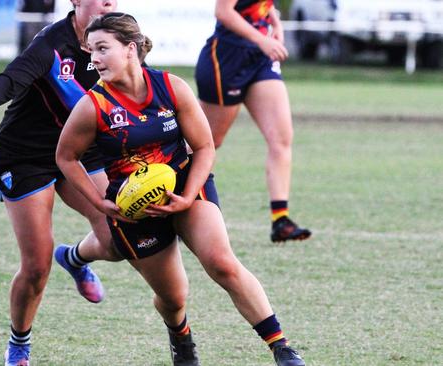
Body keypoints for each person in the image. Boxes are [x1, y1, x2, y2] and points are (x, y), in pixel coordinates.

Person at [56, 12, 305, 366]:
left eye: (102, 49)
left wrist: (188, 196)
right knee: (174, 298)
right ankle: (181, 336)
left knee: (222, 263)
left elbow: (204, 147)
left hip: (186, 184)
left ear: (130, 49)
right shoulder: (92, 106)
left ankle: (281, 348)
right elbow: (66, 157)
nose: (93, 59)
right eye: (90, 51)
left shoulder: (171, 87)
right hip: (135, 209)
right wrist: (98, 201)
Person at [0, 1, 123, 365]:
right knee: (37, 265)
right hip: (25, 154)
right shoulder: (52, 44)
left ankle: (73, 259)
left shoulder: (116, 37)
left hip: (77, 150)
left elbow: (140, 83)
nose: (110, 3)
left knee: (117, 237)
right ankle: (19, 345)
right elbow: (12, 79)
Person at [195, 0, 311, 243]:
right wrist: (262, 39)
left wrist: (275, 22)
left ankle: (281, 220)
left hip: (260, 59)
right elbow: (223, 12)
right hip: (227, 59)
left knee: (281, 138)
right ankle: (175, 206)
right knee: (206, 142)